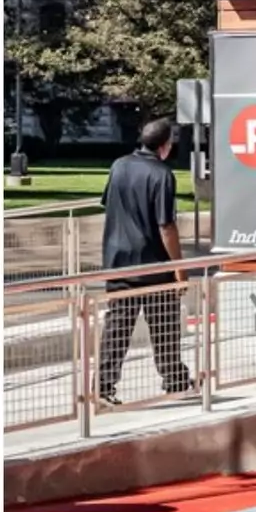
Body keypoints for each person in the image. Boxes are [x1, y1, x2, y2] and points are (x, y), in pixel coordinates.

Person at [97, 118, 191, 406]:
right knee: (164, 325)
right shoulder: (162, 174)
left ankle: (103, 387)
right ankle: (174, 379)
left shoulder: (119, 165)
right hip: (152, 264)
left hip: (118, 260)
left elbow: (109, 205)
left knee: (117, 328)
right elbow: (166, 226)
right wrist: (179, 270)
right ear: (166, 145)